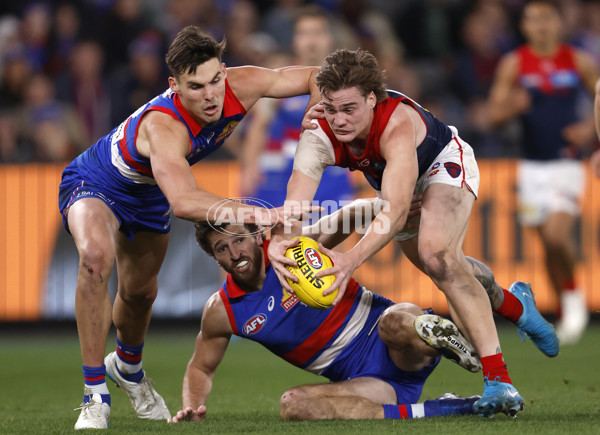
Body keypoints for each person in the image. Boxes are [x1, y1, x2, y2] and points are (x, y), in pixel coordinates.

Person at [266, 47, 561, 419]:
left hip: (442, 163)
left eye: (349, 109)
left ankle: (499, 381)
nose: (338, 120)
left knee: (439, 257)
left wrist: (349, 261)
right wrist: (284, 242)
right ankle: (516, 304)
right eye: (330, 108)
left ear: (372, 99)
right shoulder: (317, 132)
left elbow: (395, 211)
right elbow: (298, 198)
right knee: (446, 265)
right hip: (395, 183)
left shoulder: (396, 124)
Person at [58, 25, 320, 430]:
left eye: (216, 80)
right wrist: (258, 214)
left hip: (149, 196)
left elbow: (312, 76)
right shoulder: (164, 126)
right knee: (95, 258)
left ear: (224, 71)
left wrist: (313, 114)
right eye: (196, 87)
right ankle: (95, 393)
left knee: (141, 293)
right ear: (174, 86)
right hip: (96, 183)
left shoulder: (242, 84)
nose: (211, 94)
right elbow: (183, 202)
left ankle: (128, 368)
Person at [169, 199, 484, 423]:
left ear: (257, 234)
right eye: (221, 249)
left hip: (392, 337)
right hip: (367, 382)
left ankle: (448, 337)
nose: (234, 253)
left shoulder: (294, 249)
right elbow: (200, 368)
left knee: (396, 324)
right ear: (215, 258)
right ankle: (441, 409)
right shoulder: (223, 310)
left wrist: (389, 207)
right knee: (293, 406)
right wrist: (191, 407)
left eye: (239, 239)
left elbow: (347, 216)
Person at [487, 0, 598, 344]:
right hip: (530, 166)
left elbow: (599, 98)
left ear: (558, 23)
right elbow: (493, 115)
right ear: (525, 27)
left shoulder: (578, 60)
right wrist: (511, 106)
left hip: (566, 162)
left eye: (547, 19)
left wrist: (589, 130)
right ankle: (567, 307)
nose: (541, 26)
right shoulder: (515, 63)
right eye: (534, 20)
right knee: (546, 245)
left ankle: (574, 299)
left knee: (555, 235)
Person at [239, 5, 354, 209]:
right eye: (304, 33)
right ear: (295, 40)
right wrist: (249, 168)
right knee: (283, 237)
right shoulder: (280, 78)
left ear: (330, 38)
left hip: (332, 174)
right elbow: (259, 124)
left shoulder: (349, 81)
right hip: (283, 175)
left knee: (332, 236)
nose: (311, 41)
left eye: (318, 33)